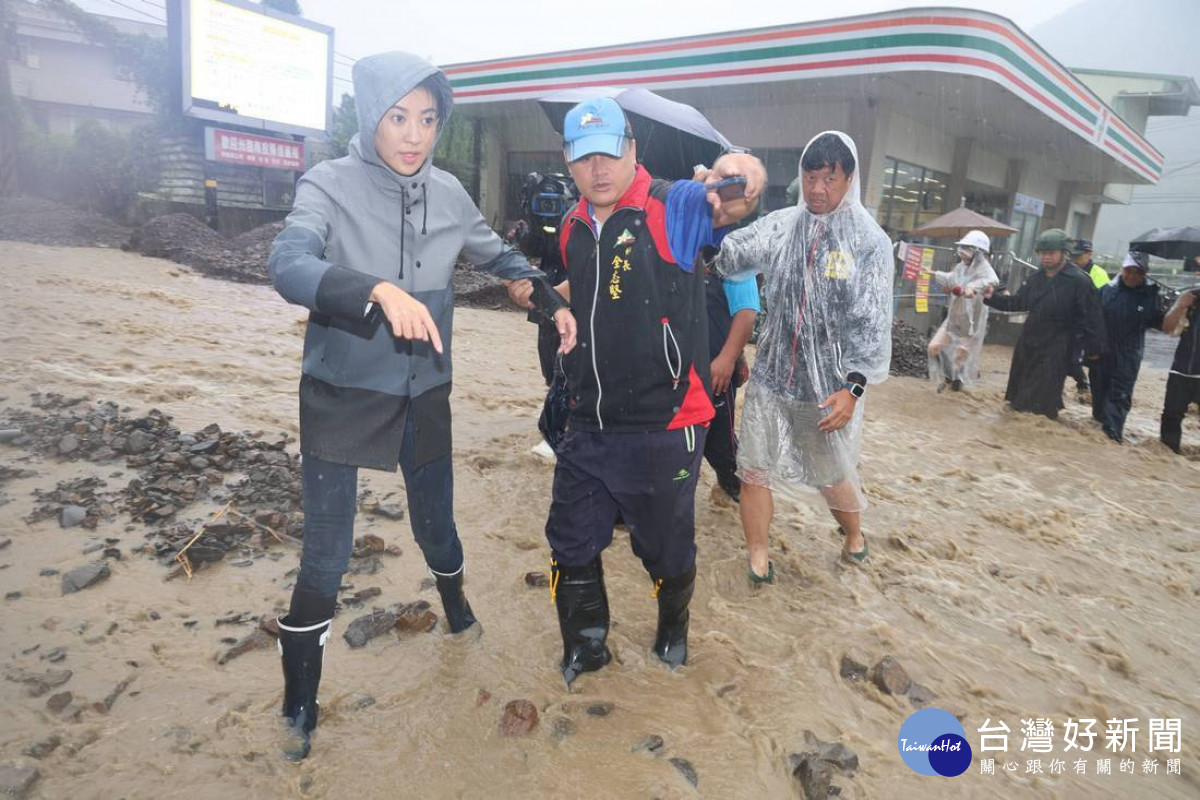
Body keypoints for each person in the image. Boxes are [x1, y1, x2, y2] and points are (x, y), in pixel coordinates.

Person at [266, 52, 575, 760]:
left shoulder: (450, 194)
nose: (414, 135)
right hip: (341, 394)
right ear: (371, 114)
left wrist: (545, 296)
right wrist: (374, 290)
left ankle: (459, 613)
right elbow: (287, 263)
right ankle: (298, 706)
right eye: (398, 117)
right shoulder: (328, 185)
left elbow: (503, 260)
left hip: (424, 393)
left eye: (429, 119)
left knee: (438, 526)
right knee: (325, 557)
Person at [512, 97, 765, 684]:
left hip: (666, 424)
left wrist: (742, 170)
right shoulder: (575, 223)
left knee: (665, 550)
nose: (598, 169)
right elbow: (588, 282)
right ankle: (586, 648)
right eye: (584, 157)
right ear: (568, 162)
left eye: (610, 153)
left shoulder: (673, 205)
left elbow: (736, 197)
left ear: (632, 150)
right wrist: (541, 294)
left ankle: (673, 631)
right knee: (570, 544)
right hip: (587, 422)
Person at [715, 131, 895, 580]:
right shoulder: (782, 225)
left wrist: (852, 389)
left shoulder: (868, 243)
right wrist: (714, 209)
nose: (817, 189)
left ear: (848, 179)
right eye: (810, 177)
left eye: (828, 179)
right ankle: (758, 558)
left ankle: (853, 536)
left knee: (830, 474)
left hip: (827, 388)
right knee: (753, 469)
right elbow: (731, 256)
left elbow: (870, 326)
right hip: (773, 375)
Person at [983, 228, 1104, 420]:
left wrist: (1093, 350)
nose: (1046, 257)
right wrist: (991, 298)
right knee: (1018, 399)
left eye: (1051, 253)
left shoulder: (1079, 281)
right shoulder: (1036, 279)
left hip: (1057, 346)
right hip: (1029, 343)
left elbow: (1092, 319)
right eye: (1043, 253)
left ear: (1064, 253)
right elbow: (1019, 302)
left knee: (1044, 403)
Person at [702, 253, 760, 502]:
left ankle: (738, 491)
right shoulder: (670, 244)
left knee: (720, 440)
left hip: (715, 368)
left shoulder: (733, 256)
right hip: (670, 366)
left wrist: (731, 359)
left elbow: (745, 314)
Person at [1091, 251, 1164, 442]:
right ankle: (1097, 434)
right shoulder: (1107, 290)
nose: (1132, 276)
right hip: (1103, 352)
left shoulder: (1150, 296)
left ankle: (1112, 436)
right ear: (1122, 270)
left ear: (1144, 274)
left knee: (1120, 395)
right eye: (1128, 271)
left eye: (1137, 272)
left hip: (1129, 354)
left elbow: (1160, 323)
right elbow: (1093, 319)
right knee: (1099, 394)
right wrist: (1091, 347)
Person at [926, 230, 999, 392]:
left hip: (972, 322)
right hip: (954, 317)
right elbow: (951, 278)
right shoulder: (961, 267)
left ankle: (956, 386)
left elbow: (992, 280)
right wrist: (933, 274)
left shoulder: (984, 269)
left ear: (978, 252)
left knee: (960, 357)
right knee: (933, 347)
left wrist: (973, 287)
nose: (962, 252)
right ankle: (947, 376)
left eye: (967, 248)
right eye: (962, 248)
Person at [1065, 237, 1109, 401]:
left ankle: (1084, 386)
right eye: (1072, 256)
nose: (1074, 260)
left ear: (1089, 254)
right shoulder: (1067, 270)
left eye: (1078, 256)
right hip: (1068, 324)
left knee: (1075, 361)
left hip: (1086, 328)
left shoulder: (1099, 274)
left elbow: (1100, 304)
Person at [1161, 286, 1200, 453]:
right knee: (1171, 418)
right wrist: (1180, 306)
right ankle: (1167, 466)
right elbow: (1167, 328)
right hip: (1181, 371)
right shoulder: (1190, 297)